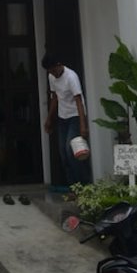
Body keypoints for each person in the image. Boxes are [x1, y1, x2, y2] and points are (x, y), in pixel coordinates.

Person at [41, 51, 92, 186]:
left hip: (75, 117)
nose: (52, 74)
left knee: (73, 152)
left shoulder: (71, 77)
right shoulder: (51, 77)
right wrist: (49, 119)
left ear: (58, 65)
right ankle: (73, 186)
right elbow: (55, 98)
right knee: (63, 153)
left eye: (53, 70)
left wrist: (83, 125)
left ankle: (84, 184)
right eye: (49, 72)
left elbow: (79, 100)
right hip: (62, 117)